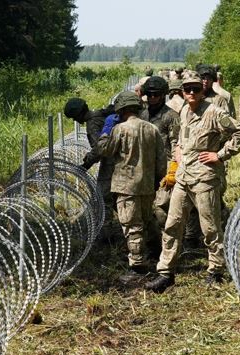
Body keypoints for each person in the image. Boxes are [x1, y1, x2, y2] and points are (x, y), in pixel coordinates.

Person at [145, 74, 240, 293]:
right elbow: (181, 138)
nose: (191, 93)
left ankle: (215, 270)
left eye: (195, 89)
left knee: (209, 227)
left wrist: (219, 154)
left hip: (205, 177)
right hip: (184, 176)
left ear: (202, 90)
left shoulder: (213, 112)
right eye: (187, 89)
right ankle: (165, 272)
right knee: (173, 224)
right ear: (182, 91)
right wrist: (178, 154)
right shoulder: (184, 110)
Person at [96, 92, 167, 281]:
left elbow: (105, 150)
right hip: (147, 184)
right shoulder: (152, 129)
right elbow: (162, 160)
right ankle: (157, 252)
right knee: (147, 219)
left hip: (126, 186)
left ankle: (137, 266)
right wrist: (156, 179)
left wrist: (105, 133)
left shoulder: (120, 129)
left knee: (132, 226)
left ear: (121, 109)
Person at [63, 97, 119, 240]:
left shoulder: (92, 123)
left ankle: (105, 233)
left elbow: (99, 150)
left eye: (74, 118)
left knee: (102, 196)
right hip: (121, 158)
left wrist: (85, 165)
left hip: (111, 162)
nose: (75, 121)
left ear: (78, 115)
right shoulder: (102, 114)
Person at [140, 76, 182, 256]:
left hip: (165, 169)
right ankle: (154, 245)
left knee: (161, 208)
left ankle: (170, 247)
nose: (152, 97)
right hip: (144, 169)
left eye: (156, 94)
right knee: (145, 211)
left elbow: (176, 144)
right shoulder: (142, 114)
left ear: (163, 95)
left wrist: (173, 169)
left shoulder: (171, 116)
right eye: (149, 94)